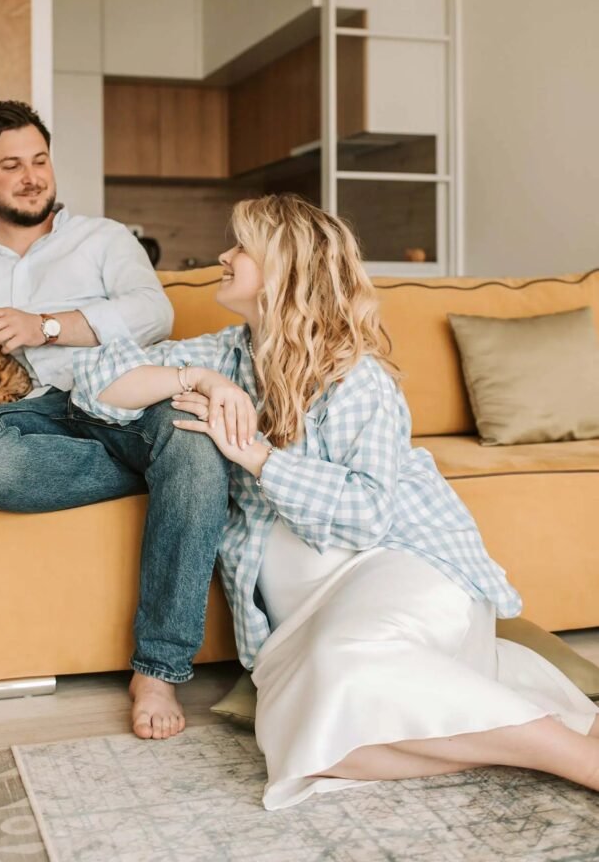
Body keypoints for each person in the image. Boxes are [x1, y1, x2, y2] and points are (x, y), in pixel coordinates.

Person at [71, 193, 599, 809]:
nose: (224, 256)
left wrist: (257, 457)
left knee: (345, 665)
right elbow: (95, 383)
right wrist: (196, 379)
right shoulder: (221, 356)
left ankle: (582, 761)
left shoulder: (355, 377)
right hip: (300, 624)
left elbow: (367, 517)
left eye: (242, 246)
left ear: (285, 269)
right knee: (305, 745)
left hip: (398, 571)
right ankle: (512, 730)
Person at [0, 99, 230, 739]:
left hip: (126, 393)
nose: (32, 177)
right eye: (11, 165)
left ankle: (158, 669)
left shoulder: (103, 239)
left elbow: (154, 313)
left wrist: (47, 326)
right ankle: (162, 477)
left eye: (40, 160)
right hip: (32, 419)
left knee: (192, 440)